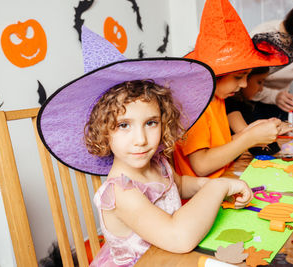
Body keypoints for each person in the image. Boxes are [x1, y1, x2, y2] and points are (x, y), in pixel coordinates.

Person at [37, 26, 253, 266]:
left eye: (151, 123)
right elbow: (178, 237)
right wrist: (219, 187)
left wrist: (205, 184)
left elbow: (177, 185)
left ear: (164, 121)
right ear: (103, 132)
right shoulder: (120, 192)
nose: (141, 139)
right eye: (123, 125)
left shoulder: (158, 163)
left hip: (170, 257)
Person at [173, 0, 293, 179]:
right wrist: (250, 137)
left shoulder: (218, 97)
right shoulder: (193, 104)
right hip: (200, 196)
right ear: (214, 74)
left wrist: (251, 132)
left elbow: (220, 148)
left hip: (225, 180)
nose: (244, 85)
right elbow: (201, 165)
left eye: (246, 76)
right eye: (238, 77)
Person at [225, 66, 293, 155]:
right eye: (259, 82)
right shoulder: (231, 104)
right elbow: (251, 140)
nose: (261, 89)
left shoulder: (246, 105)